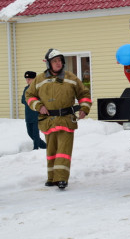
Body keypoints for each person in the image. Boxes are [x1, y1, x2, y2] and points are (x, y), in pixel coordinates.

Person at [25, 49, 92, 189]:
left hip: (66, 119)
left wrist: (84, 108)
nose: (58, 63)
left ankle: (61, 179)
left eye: (60, 61)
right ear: (49, 63)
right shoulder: (39, 79)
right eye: (55, 61)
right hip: (48, 121)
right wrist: (39, 106)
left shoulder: (71, 77)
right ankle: (51, 178)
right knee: (51, 151)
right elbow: (29, 95)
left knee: (63, 151)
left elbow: (84, 93)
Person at [21, 71, 47, 150]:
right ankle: (44, 146)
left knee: (36, 134)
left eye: (29, 79)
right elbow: (23, 100)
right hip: (28, 115)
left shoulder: (38, 88)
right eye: (26, 79)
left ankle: (35, 149)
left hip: (37, 115)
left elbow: (42, 100)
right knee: (30, 133)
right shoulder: (26, 89)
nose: (27, 81)